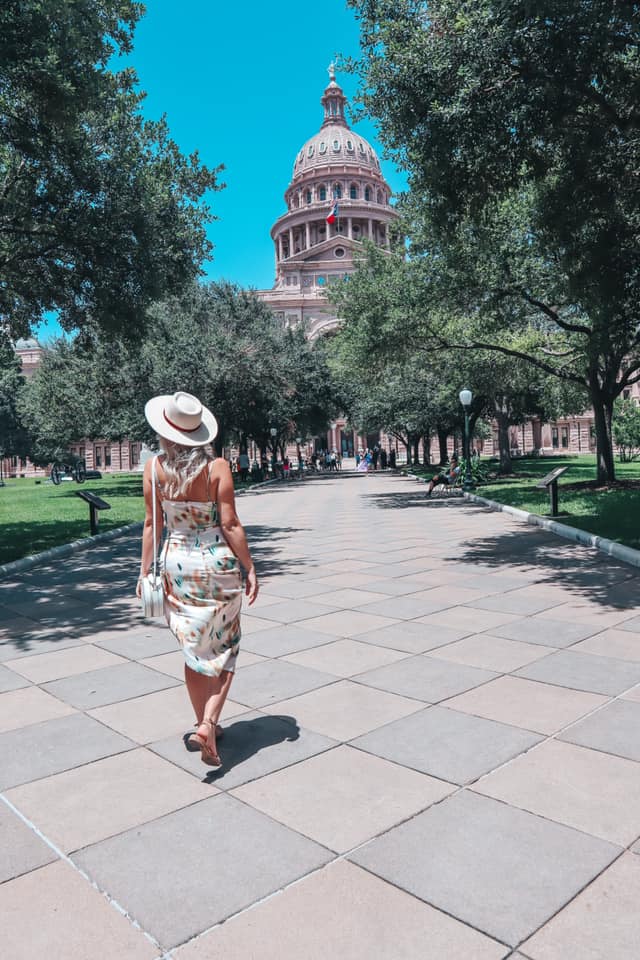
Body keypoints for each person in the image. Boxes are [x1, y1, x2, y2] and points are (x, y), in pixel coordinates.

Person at [137, 391, 258, 767]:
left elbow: (150, 525)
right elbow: (230, 523)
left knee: (194, 648)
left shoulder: (154, 469)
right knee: (226, 644)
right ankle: (208, 723)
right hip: (215, 563)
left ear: (165, 431)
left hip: (176, 564)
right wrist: (250, 566)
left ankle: (202, 723)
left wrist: (144, 573)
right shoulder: (217, 468)